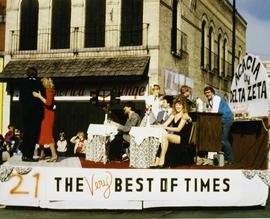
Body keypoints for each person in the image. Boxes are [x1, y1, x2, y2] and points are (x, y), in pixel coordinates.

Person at [152, 97, 190, 167]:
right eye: (176, 105)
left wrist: (165, 127)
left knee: (165, 136)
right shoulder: (173, 114)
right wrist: (154, 126)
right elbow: (164, 125)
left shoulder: (184, 115)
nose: (177, 106)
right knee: (162, 139)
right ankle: (157, 162)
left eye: (180, 105)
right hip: (175, 137)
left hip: (182, 138)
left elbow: (178, 129)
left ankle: (162, 159)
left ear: (183, 106)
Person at [19, 67, 44, 162]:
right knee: (33, 134)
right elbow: (41, 98)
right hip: (35, 113)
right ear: (36, 74)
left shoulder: (23, 83)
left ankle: (24, 155)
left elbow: (21, 99)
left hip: (25, 113)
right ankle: (29, 156)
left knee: (26, 134)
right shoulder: (38, 83)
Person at [204, 86, 234, 163]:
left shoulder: (216, 98)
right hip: (220, 119)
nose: (207, 94)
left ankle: (230, 159)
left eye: (208, 92)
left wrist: (207, 111)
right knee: (220, 139)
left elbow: (214, 111)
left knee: (224, 139)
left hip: (226, 118)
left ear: (212, 92)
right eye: (206, 93)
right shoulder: (210, 100)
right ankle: (222, 158)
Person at [33, 77, 57, 162]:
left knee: (47, 134)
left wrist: (39, 96)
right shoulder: (48, 91)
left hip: (48, 115)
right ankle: (42, 153)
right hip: (45, 114)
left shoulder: (49, 91)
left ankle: (54, 155)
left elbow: (48, 103)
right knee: (42, 134)